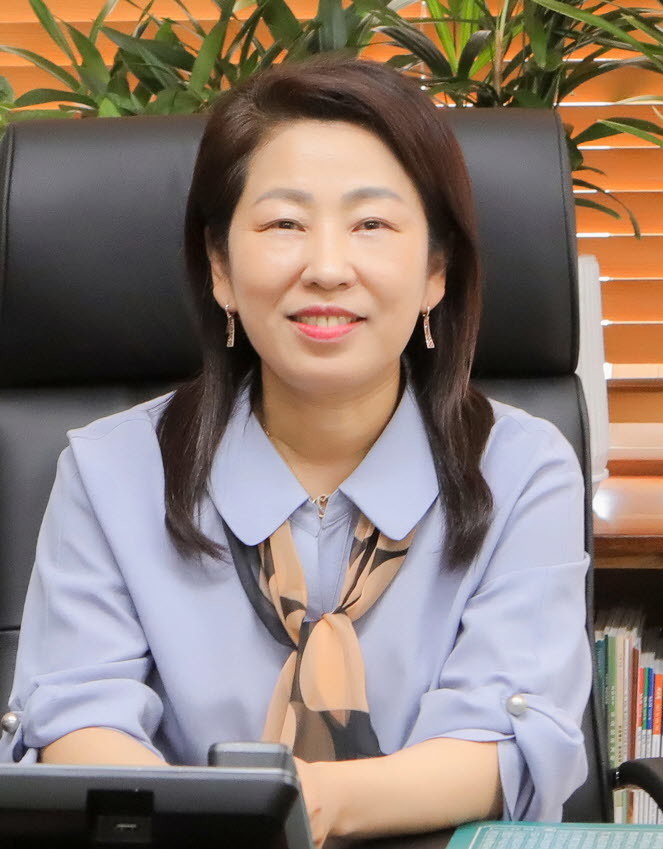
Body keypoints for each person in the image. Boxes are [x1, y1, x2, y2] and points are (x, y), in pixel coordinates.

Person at [0, 54, 591, 846]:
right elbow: (77, 720)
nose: (327, 268)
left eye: (371, 224)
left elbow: (500, 743)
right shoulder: (112, 471)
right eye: (284, 224)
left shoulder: (519, 470)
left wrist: (283, 811)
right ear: (219, 267)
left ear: (435, 272)